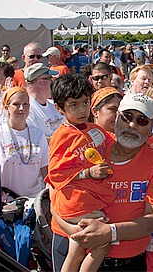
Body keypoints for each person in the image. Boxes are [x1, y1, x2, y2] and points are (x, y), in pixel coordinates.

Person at [61, 93, 153, 272]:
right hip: (82, 258)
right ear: (117, 118)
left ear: (151, 127)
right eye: (127, 117)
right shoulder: (90, 148)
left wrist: (109, 232)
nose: (132, 125)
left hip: (130, 264)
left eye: (142, 121)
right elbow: (55, 192)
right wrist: (74, 230)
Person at [47, 74, 115, 272]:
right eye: (73, 105)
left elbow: (114, 148)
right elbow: (55, 173)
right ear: (60, 108)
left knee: (76, 250)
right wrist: (88, 173)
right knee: (102, 241)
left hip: (87, 201)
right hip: (78, 203)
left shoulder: (95, 129)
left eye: (85, 102)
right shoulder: (62, 135)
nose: (82, 110)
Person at [0, 87, 48, 197]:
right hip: (7, 201)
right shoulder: (0, 134)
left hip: (34, 200)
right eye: (16, 104)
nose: (22, 108)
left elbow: (45, 170)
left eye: (25, 104)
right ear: (7, 108)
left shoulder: (38, 134)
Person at [25, 63, 65, 140]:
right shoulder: (27, 110)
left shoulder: (54, 105)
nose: (54, 83)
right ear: (40, 82)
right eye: (51, 79)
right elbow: (36, 139)